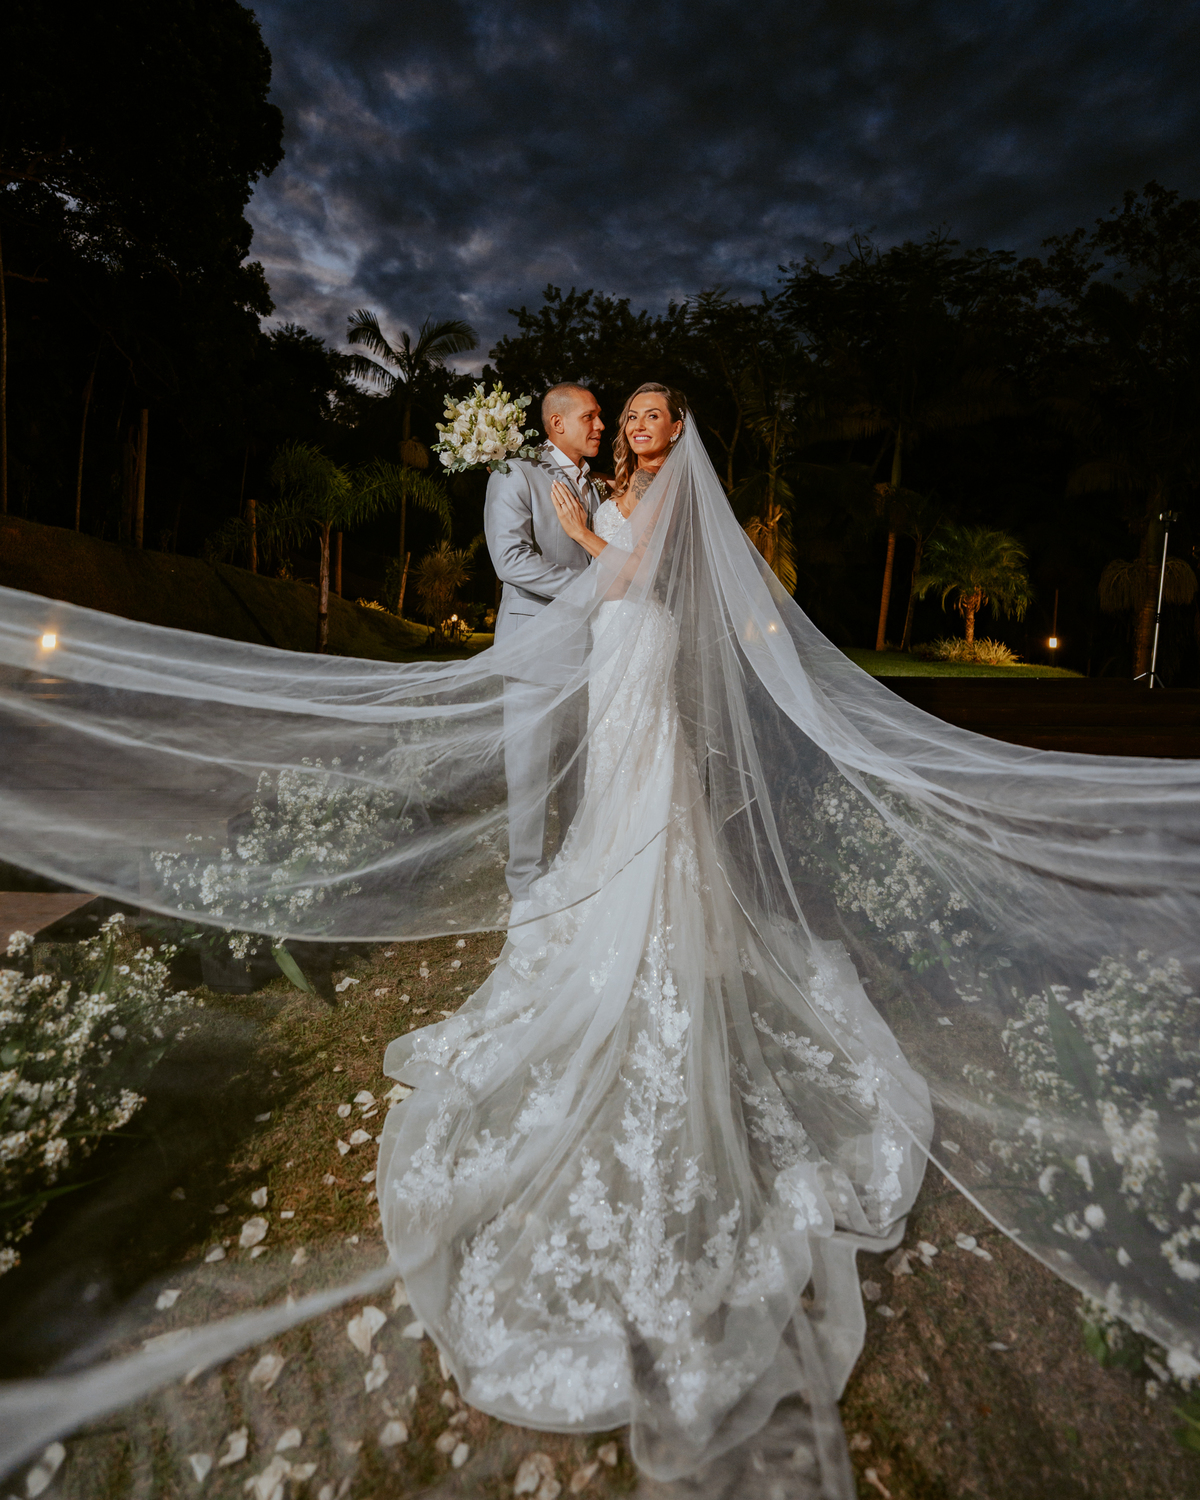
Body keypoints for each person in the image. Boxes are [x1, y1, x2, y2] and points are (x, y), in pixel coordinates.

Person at [377, 385, 932, 1492]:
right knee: (619, 803)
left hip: (637, 635)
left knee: (647, 797)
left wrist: (583, 528)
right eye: (620, 414)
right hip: (616, 648)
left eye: (645, 414)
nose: (632, 426)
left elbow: (623, 574)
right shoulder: (613, 479)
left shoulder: (665, 488)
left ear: (674, 431)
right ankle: (615, 910)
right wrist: (585, 515)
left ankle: (654, 933)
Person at [484, 383, 605, 909]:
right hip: (535, 652)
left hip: (593, 656)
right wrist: (593, 590)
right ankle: (527, 892)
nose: (600, 426)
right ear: (557, 424)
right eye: (591, 417)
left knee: (582, 773)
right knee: (529, 778)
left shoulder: (599, 489)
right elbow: (509, 560)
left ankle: (572, 875)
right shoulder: (514, 474)